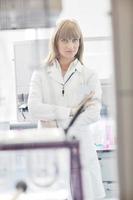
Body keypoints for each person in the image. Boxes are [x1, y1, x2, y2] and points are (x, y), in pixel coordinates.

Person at [28, 19, 105, 199]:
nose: (71, 46)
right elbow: (33, 108)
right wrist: (71, 111)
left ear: (80, 42)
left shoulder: (88, 76)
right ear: (55, 41)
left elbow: (93, 114)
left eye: (75, 40)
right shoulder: (40, 73)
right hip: (50, 151)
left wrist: (54, 121)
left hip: (81, 150)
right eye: (65, 40)